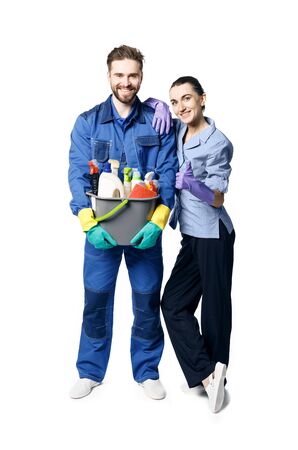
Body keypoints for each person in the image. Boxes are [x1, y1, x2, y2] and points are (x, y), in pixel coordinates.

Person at [68, 45, 177, 400]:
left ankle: (147, 371)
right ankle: (90, 371)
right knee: (95, 300)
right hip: (102, 231)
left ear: (141, 77)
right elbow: (77, 174)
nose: (126, 82)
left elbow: (168, 169)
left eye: (132, 75)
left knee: (146, 300)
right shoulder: (88, 122)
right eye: (119, 75)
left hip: (144, 232)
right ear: (109, 76)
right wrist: (88, 223)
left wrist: (159, 220)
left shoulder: (157, 121)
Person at [161, 76, 235, 413]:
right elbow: (157, 109)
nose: (181, 107)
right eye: (174, 102)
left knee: (215, 309)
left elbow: (218, 199)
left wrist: (195, 187)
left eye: (187, 99)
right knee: (173, 304)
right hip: (191, 234)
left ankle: (218, 378)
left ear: (203, 99)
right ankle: (205, 375)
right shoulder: (179, 130)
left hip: (214, 233)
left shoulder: (218, 143)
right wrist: (158, 106)